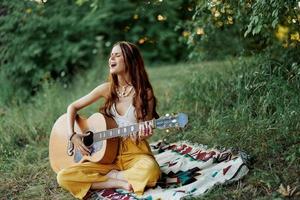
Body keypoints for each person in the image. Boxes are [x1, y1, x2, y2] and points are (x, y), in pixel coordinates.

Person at [56, 41, 161, 199]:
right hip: (105, 154)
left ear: (130, 60)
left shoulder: (145, 93)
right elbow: (73, 107)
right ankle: (117, 182)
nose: (111, 58)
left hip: (134, 151)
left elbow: (145, 128)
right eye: (111, 55)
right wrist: (73, 135)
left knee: (151, 172)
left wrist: (143, 134)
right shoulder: (106, 89)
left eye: (117, 55)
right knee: (63, 176)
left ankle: (111, 178)